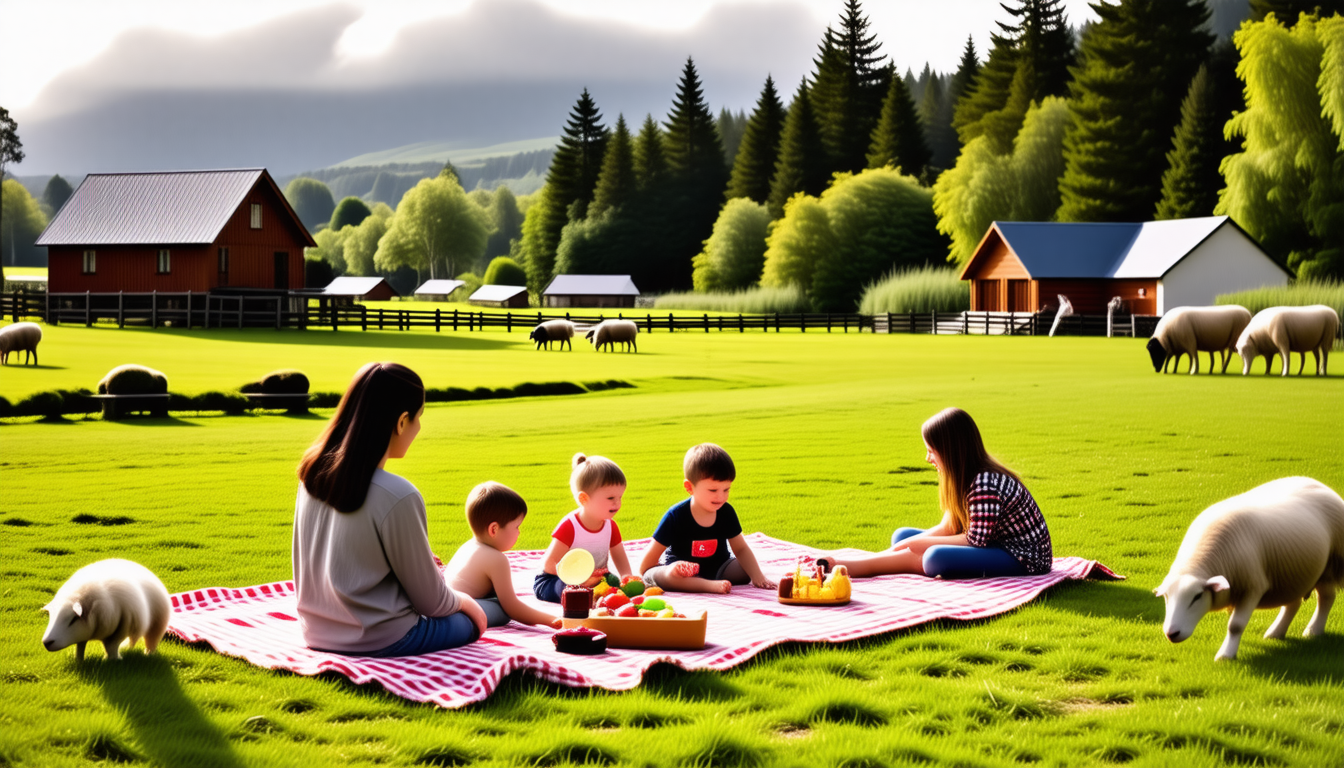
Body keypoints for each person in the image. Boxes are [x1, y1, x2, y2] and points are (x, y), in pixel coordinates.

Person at [292, 362, 486, 657]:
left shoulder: (312, 473)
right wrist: (468, 604)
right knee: (481, 614)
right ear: (401, 421)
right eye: (418, 417)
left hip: (316, 632)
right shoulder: (398, 494)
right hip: (384, 637)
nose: (419, 428)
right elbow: (432, 603)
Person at [827, 407, 1052, 579]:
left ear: (950, 451)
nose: (928, 459)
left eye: (931, 451)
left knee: (934, 557)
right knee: (902, 536)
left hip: (1021, 557)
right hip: (992, 543)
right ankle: (873, 562)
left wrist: (918, 545)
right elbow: (949, 527)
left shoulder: (985, 484)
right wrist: (909, 544)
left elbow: (976, 540)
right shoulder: (963, 478)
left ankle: (850, 567)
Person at [638, 443, 777, 594]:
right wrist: (666, 571)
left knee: (746, 568)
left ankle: (710, 581)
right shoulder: (676, 516)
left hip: (719, 568)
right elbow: (646, 565)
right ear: (689, 487)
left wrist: (757, 577)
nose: (721, 497)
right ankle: (708, 586)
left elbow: (741, 548)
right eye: (713, 490)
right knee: (658, 575)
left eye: (726, 489)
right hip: (683, 574)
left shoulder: (726, 512)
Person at [445, 481, 562, 629]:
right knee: (502, 609)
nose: (519, 532)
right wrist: (552, 619)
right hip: (459, 612)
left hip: (447, 604)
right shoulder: (496, 559)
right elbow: (512, 608)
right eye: (517, 526)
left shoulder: (468, 545)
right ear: (494, 529)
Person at [533, 454, 634, 603]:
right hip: (555, 580)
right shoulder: (570, 526)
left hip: (596, 579)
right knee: (571, 590)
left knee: (614, 586)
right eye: (611, 498)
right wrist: (579, 577)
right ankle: (586, 598)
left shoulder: (610, 526)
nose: (617, 504)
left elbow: (620, 557)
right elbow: (549, 564)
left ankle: (596, 597)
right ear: (584, 499)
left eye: (620, 497)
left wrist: (627, 577)